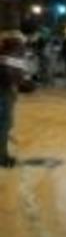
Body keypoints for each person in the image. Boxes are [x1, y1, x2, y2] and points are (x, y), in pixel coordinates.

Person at [0, 30, 27, 167]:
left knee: (6, 123)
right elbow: (10, 72)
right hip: (5, 91)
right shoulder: (12, 52)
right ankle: (2, 157)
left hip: (6, 90)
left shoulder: (5, 51)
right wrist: (21, 84)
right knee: (4, 124)